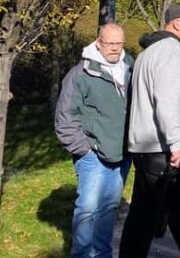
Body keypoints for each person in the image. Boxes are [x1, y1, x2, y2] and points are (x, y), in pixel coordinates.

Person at [119, 5, 180, 258]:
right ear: (176, 23)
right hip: (166, 151)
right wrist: (177, 142)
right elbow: (166, 101)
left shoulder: (149, 53)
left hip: (148, 149)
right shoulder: (171, 53)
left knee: (145, 219)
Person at [55, 23, 133, 258]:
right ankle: (81, 255)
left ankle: (102, 254)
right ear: (98, 42)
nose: (115, 49)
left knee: (109, 207)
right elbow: (64, 117)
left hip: (122, 154)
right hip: (93, 155)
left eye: (119, 44)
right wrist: (85, 149)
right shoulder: (81, 74)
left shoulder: (131, 67)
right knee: (87, 209)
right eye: (110, 43)